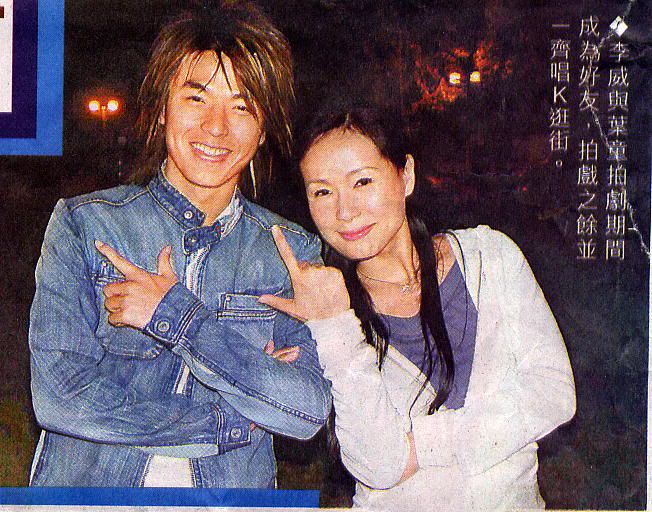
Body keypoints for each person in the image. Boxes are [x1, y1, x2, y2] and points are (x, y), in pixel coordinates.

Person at [28, 2, 330, 488]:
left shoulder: (289, 252)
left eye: (242, 106)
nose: (216, 127)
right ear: (162, 107)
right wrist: (225, 422)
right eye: (197, 98)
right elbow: (59, 397)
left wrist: (177, 316)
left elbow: (306, 411)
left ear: (263, 130)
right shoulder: (86, 226)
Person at [260, 106, 576, 511]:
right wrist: (335, 326)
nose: (344, 211)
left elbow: (554, 393)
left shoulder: (489, 257)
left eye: (362, 181)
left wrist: (420, 445)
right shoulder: (323, 313)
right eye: (322, 191)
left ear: (405, 175)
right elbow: (378, 465)